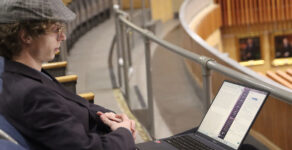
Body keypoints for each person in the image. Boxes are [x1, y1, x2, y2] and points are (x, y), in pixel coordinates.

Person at [0, 0, 136, 150]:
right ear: (26, 36)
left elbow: (72, 106)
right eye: (56, 30)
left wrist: (106, 117)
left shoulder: (29, 74)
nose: (63, 37)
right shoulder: (32, 95)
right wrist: (124, 132)